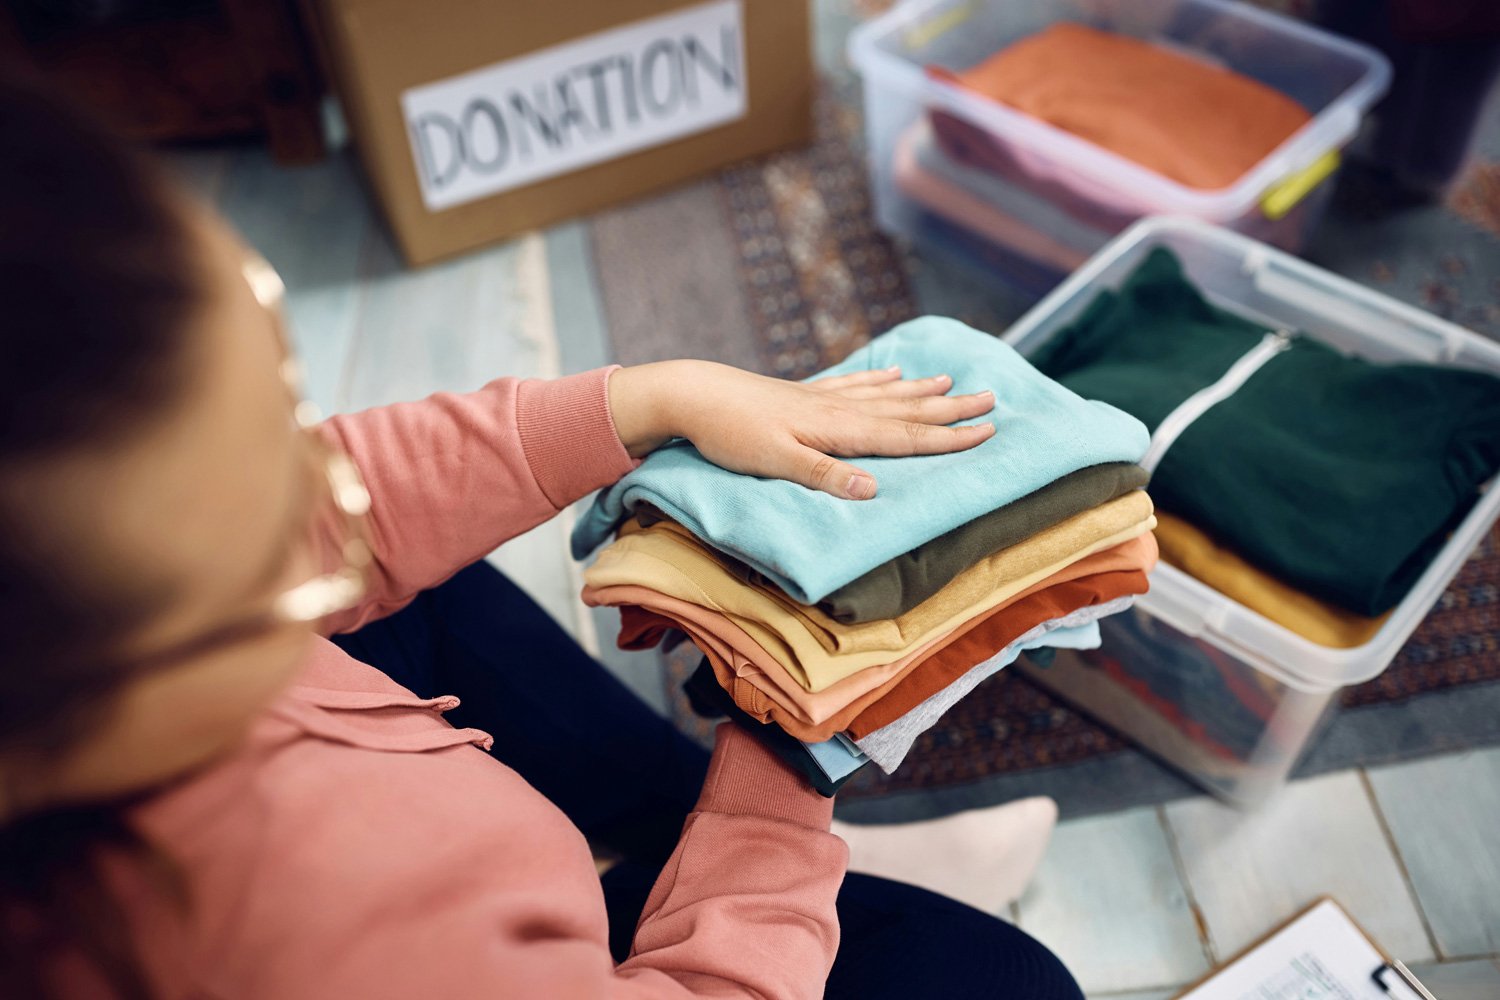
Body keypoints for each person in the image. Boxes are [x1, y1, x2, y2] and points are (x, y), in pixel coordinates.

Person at [0, 72, 1083, 1000]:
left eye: (291, 409)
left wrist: (648, 398)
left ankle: (708, 840)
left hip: (389, 801)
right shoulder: (334, 942)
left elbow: (346, 499)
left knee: (421, 582)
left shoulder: (83, 623)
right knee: (1011, 983)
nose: (321, 486)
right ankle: (747, 869)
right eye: (257, 503)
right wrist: (788, 752)